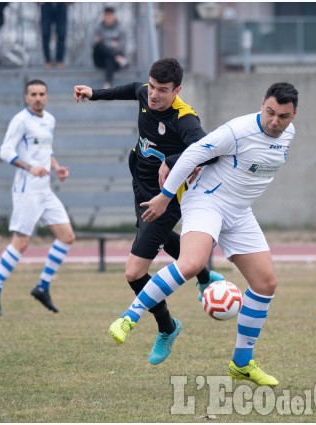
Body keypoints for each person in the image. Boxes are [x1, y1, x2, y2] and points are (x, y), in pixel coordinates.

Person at [107, 82, 299, 386]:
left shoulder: (288, 134)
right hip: (207, 200)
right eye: (270, 112)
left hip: (238, 212)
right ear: (262, 104)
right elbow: (193, 153)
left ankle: (241, 364)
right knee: (192, 263)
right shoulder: (237, 130)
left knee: (265, 283)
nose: (275, 121)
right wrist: (166, 196)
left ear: (293, 115)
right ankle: (128, 318)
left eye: (283, 116)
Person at [73, 58, 224, 365]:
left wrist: (173, 161)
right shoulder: (146, 93)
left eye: (163, 90)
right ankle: (205, 276)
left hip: (165, 199)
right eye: (152, 87)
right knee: (159, 238)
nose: (154, 95)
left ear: (177, 90)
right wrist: (94, 93)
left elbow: (210, 151)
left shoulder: (185, 119)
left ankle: (167, 327)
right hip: (139, 183)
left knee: (133, 272)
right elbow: (131, 89)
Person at [0, 79, 75, 317]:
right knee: (21, 243)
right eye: (33, 94)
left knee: (67, 236)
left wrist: (56, 167)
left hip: (45, 190)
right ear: (26, 97)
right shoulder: (20, 120)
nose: (38, 98)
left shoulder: (50, 120)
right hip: (27, 190)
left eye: (42, 94)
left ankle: (42, 287)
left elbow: (46, 149)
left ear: (47, 96)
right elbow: (5, 151)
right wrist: (29, 167)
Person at [91, 6, 128, 89]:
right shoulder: (98, 28)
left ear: (114, 16)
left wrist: (104, 41)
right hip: (100, 60)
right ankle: (118, 58)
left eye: (110, 16)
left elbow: (122, 47)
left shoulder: (121, 29)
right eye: (106, 16)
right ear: (103, 16)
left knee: (110, 57)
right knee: (99, 46)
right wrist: (111, 44)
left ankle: (107, 83)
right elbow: (93, 44)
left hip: (113, 62)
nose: (108, 18)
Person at [40, 2, 68, 69]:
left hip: (61, 4)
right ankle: (47, 60)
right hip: (46, 4)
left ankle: (59, 60)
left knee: (61, 34)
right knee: (45, 33)